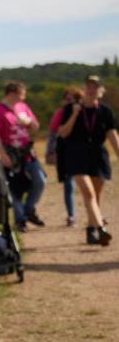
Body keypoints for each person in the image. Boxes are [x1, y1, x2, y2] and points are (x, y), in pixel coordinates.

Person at [56, 75, 119, 245]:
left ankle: (91, 230)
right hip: (76, 154)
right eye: (88, 86)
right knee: (88, 193)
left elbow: (112, 134)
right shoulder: (71, 108)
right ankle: (101, 228)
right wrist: (75, 114)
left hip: (98, 155)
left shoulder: (105, 111)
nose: (91, 90)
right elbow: (63, 133)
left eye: (95, 87)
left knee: (96, 195)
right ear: (84, 88)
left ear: (101, 91)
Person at [0, 81, 45, 232]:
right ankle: (20, 220)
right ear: (12, 94)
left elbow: (35, 126)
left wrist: (29, 122)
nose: (23, 98)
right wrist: (2, 155)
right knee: (15, 188)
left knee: (40, 180)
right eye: (21, 95)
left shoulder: (23, 107)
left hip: (27, 152)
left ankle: (29, 209)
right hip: (11, 153)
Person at [46, 87, 83, 226]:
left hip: (82, 153)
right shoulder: (60, 113)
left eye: (74, 98)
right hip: (65, 153)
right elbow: (53, 132)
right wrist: (50, 152)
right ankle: (71, 215)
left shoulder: (85, 112)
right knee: (69, 185)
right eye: (68, 99)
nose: (71, 101)